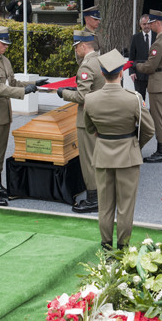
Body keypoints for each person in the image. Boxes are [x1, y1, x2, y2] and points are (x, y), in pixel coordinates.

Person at [83, 49, 155, 250]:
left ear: (103, 74)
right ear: (121, 73)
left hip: (103, 155)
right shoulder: (133, 98)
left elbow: (89, 128)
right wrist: (134, 145)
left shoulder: (91, 99)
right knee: (125, 207)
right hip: (128, 157)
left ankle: (106, 246)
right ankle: (123, 248)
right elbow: (149, 129)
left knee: (105, 206)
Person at [0, 27, 37, 205]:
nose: (6, 47)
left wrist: (32, 84)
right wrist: (22, 91)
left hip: (3, 113)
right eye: (3, 44)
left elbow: (12, 82)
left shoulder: (4, 60)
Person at [58, 31, 104, 211]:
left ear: (83, 46)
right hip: (100, 115)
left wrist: (64, 93)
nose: (76, 50)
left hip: (87, 118)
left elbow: (83, 96)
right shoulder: (100, 61)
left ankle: (93, 198)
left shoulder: (86, 67)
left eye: (76, 47)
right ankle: (101, 193)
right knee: (98, 157)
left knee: (89, 159)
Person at [135, 9, 162, 163]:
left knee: (159, 118)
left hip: (158, 83)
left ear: (158, 23)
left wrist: (137, 65)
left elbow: (150, 67)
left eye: (152, 23)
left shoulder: (158, 43)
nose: (150, 25)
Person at [128, 14, 155, 99]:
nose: (146, 26)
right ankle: (141, 112)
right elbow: (131, 56)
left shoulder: (157, 36)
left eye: (148, 23)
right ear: (140, 25)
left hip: (153, 74)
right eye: (144, 24)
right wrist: (131, 71)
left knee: (154, 99)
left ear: (151, 24)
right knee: (140, 99)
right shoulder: (135, 37)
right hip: (139, 74)